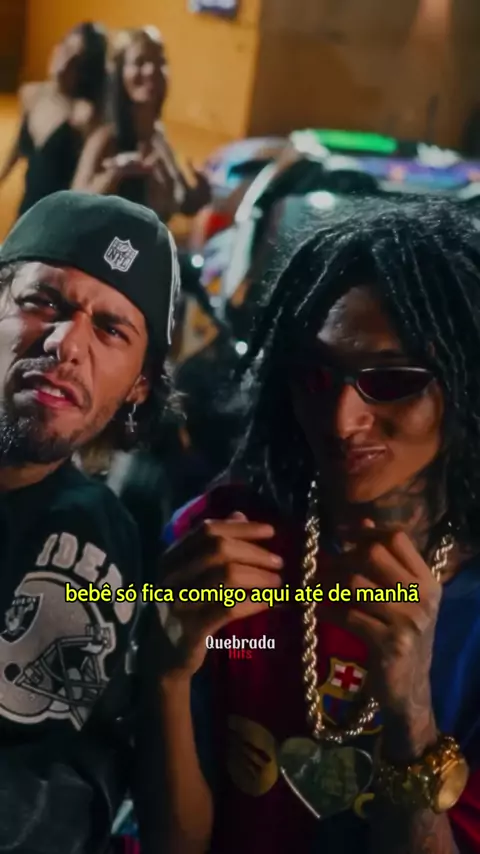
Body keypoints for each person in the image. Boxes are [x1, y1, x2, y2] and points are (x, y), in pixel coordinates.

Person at [137, 199, 480, 854]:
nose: (342, 420)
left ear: (467, 383)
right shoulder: (220, 543)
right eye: (316, 375)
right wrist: (166, 674)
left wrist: (411, 711)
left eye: (391, 381)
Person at [0, 189, 180, 854]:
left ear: (140, 384)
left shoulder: (91, 539)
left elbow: (60, 793)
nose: (65, 343)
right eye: (43, 302)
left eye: (110, 330)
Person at [72, 26, 211, 223]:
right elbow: (73, 206)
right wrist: (115, 175)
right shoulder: (106, 138)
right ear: (121, 72)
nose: (151, 70)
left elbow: (179, 204)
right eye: (140, 62)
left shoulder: (159, 137)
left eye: (159, 62)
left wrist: (200, 194)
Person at [0, 23, 108, 218]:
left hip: (60, 217)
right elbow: (19, 145)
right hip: (26, 212)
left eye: (76, 60)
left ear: (85, 71)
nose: (64, 63)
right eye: (65, 49)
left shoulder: (84, 114)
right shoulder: (31, 94)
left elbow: (88, 175)